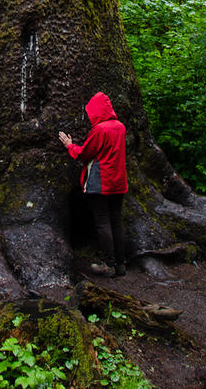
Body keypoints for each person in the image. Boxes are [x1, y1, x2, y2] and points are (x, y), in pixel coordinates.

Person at [59, 91, 128, 277]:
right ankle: (121, 264)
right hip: (119, 182)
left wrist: (69, 146)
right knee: (116, 222)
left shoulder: (100, 130)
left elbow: (85, 153)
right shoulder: (120, 127)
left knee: (103, 223)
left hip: (101, 182)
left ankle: (109, 264)